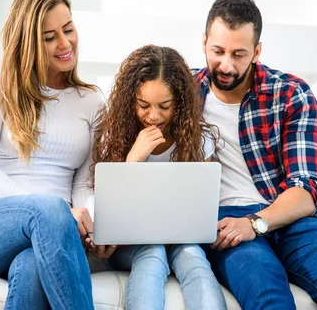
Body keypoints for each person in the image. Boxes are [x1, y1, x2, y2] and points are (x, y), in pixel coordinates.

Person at [195, 0, 317, 309]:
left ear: (257, 51)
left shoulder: (290, 93)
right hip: (225, 222)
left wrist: (255, 223)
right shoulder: (185, 93)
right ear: (204, 42)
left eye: (239, 54)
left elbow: (306, 189)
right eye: (218, 51)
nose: (226, 64)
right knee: (268, 295)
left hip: (291, 218)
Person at [0, 0, 114, 310]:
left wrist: (92, 224)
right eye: (50, 36)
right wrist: (58, 212)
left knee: (33, 266)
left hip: (52, 233)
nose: (65, 43)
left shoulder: (91, 102)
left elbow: (81, 183)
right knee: (50, 208)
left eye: (68, 29)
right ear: (28, 42)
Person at [91, 45, 227, 310]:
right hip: (130, 244)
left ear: (180, 103)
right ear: (131, 101)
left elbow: (202, 207)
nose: (153, 116)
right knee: (152, 254)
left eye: (164, 106)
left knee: (194, 258)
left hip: (180, 239)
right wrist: (134, 160)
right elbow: (110, 213)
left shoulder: (199, 140)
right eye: (143, 105)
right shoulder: (115, 137)